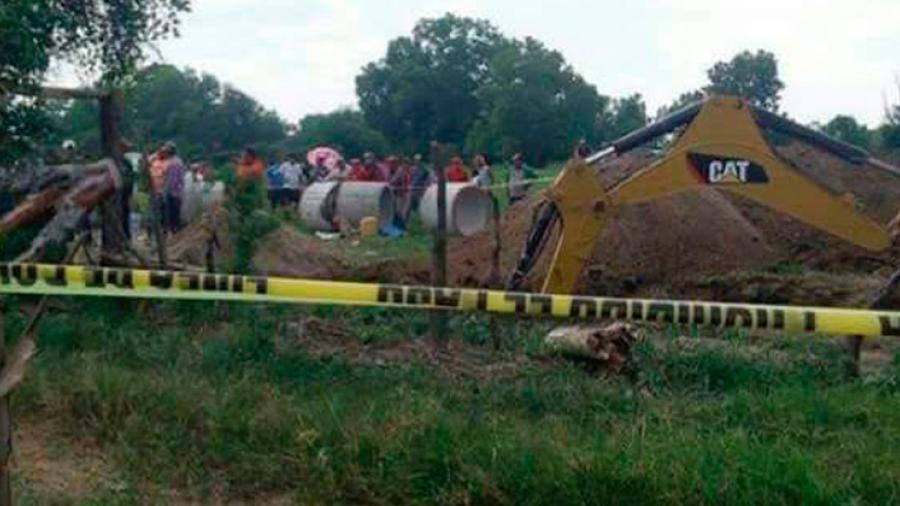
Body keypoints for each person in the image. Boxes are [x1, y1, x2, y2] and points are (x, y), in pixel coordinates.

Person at [162, 142, 186, 233]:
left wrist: (166, 192)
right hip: (177, 193)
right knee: (175, 216)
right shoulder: (177, 161)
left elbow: (172, 181)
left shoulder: (173, 163)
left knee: (173, 217)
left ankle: (175, 234)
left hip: (173, 194)